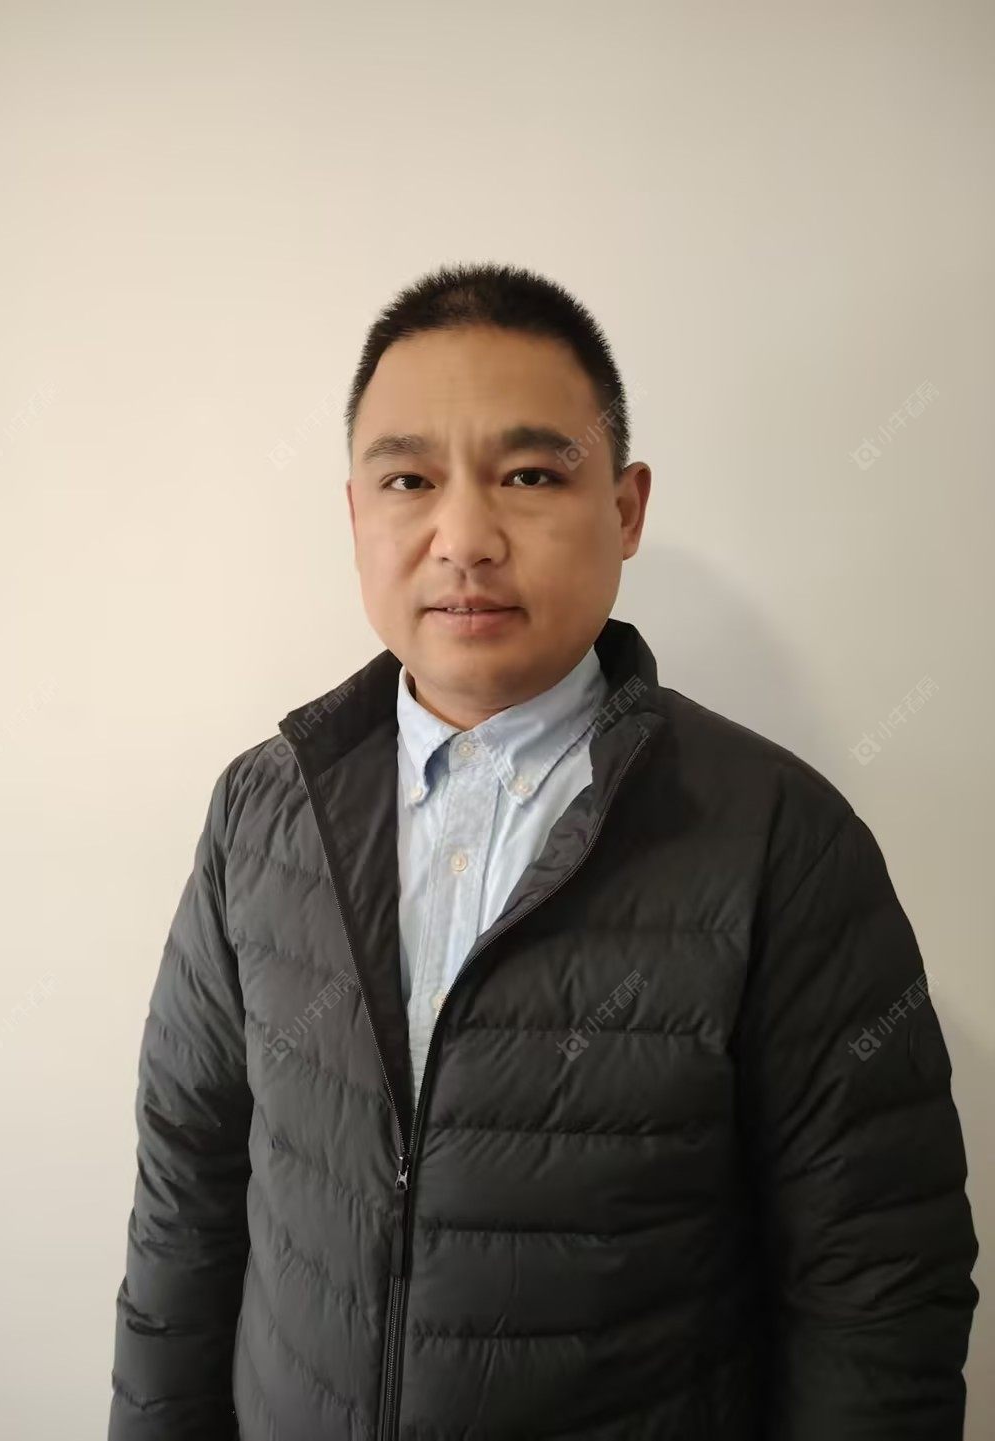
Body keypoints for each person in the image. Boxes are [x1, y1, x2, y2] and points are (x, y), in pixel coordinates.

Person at [108, 262, 979, 1440]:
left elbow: (877, 1283)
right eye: (409, 479)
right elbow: (187, 1199)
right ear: (357, 516)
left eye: (529, 475)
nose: (465, 538)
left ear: (626, 508)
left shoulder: (780, 840)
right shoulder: (261, 814)